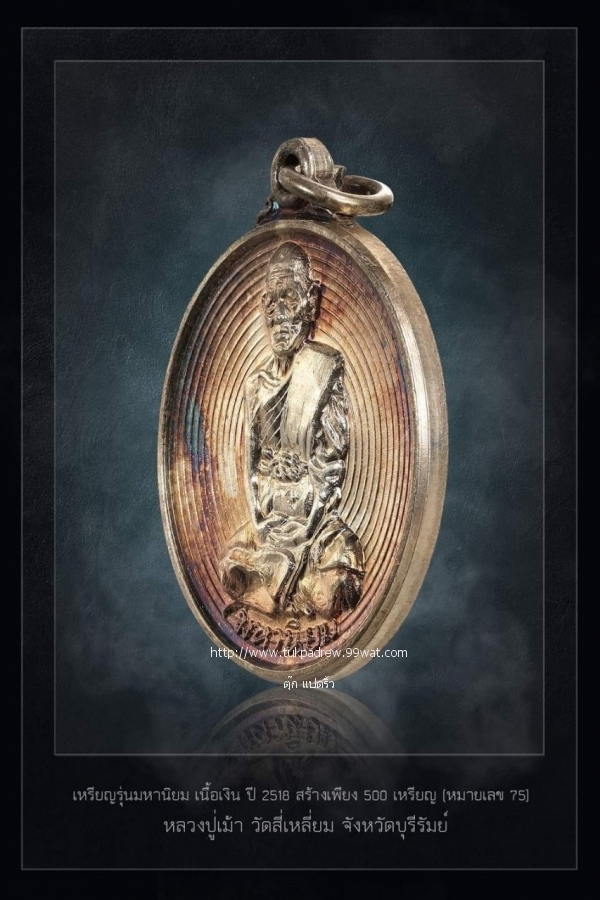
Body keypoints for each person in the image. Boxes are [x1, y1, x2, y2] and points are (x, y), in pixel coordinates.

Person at [219, 241, 364, 621]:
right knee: (232, 567)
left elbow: (330, 468)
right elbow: (251, 465)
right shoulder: (255, 385)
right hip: (268, 521)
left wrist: (305, 532)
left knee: (336, 587)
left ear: (310, 302)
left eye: (290, 297)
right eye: (271, 301)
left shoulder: (323, 368)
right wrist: (260, 522)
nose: (279, 312)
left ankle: (287, 588)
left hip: (313, 521)